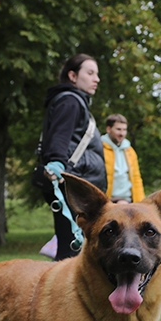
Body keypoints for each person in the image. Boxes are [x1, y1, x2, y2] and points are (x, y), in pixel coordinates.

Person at [33, 53, 107, 260]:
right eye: (90, 73)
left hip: (74, 186)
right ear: (73, 76)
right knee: (72, 252)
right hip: (73, 187)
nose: (96, 79)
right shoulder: (70, 101)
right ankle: (63, 292)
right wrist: (57, 162)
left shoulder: (72, 101)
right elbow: (60, 137)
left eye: (97, 74)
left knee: (74, 248)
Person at [101, 114, 145, 203]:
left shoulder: (129, 151)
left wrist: (141, 202)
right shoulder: (100, 148)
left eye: (124, 130)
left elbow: (136, 177)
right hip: (108, 200)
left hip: (129, 200)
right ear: (108, 129)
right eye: (118, 129)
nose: (122, 133)